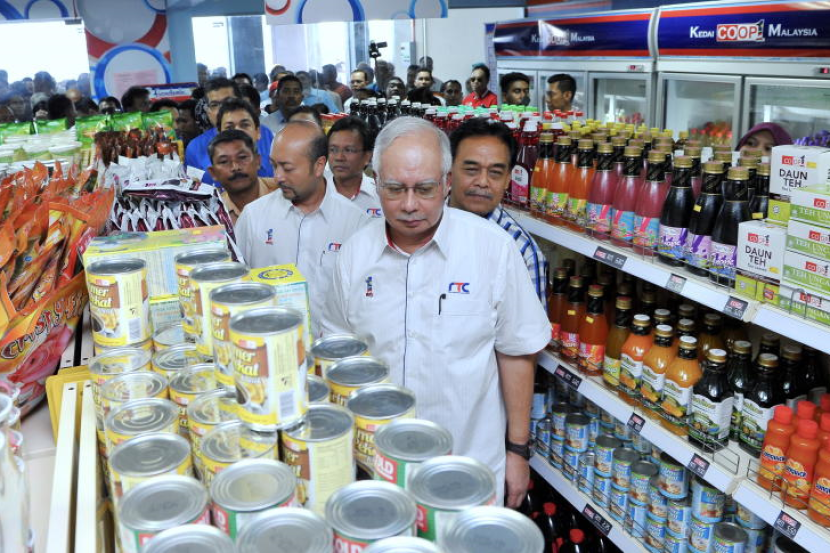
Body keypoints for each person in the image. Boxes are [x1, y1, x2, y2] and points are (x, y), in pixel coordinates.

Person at [320, 117, 549, 507]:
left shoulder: (493, 249)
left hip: (469, 462)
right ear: (376, 182)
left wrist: (517, 450)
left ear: (446, 183)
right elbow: (339, 359)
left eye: (424, 189)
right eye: (395, 189)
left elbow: (516, 353)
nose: (410, 205)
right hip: (379, 466)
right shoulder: (354, 256)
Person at [235, 121, 368, 334]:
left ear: (318, 166)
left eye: (287, 168)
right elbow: (238, 289)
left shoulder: (355, 224)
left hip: (329, 349)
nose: (278, 176)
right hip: (268, 343)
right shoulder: (254, 217)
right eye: (274, 165)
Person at [448, 118, 547, 307]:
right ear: (449, 170)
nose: (482, 182)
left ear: (508, 179)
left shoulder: (523, 252)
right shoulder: (423, 226)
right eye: (471, 170)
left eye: (495, 173)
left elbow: (530, 325)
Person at [186, 77, 275, 186]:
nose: (221, 109)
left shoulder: (265, 134)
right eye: (214, 105)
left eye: (227, 102)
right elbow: (192, 190)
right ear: (208, 111)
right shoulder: (195, 148)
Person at [208, 129, 276, 225]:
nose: (235, 167)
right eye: (224, 161)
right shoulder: (210, 215)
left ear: (258, 161)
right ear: (213, 173)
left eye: (242, 157)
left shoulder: (284, 192)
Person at [327, 116, 382, 218]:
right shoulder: (315, 195)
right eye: (333, 150)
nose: (339, 157)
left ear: (367, 156)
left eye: (349, 150)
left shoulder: (380, 195)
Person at [215, 98, 275, 179]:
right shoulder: (211, 178)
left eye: (245, 125)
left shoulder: (277, 168)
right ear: (219, 134)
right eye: (229, 128)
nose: (238, 132)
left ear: (258, 132)